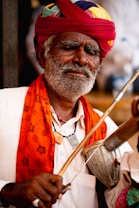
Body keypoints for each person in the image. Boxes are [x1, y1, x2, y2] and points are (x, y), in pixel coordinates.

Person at [0, 0, 133, 208]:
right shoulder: (4, 106)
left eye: (91, 52)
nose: (81, 59)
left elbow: (128, 199)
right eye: (70, 47)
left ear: (98, 64)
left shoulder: (106, 130)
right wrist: (8, 191)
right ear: (42, 54)